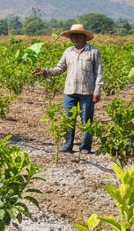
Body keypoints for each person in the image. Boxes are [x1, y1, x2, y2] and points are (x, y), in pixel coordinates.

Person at [33, 23, 103, 153]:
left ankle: (85, 147)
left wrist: (97, 91)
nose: (75, 39)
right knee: (68, 119)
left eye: (78, 36)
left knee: (86, 120)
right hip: (70, 91)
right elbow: (60, 68)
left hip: (87, 91)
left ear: (84, 37)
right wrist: (46, 71)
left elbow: (98, 73)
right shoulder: (68, 52)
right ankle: (68, 145)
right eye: (73, 36)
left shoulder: (93, 52)